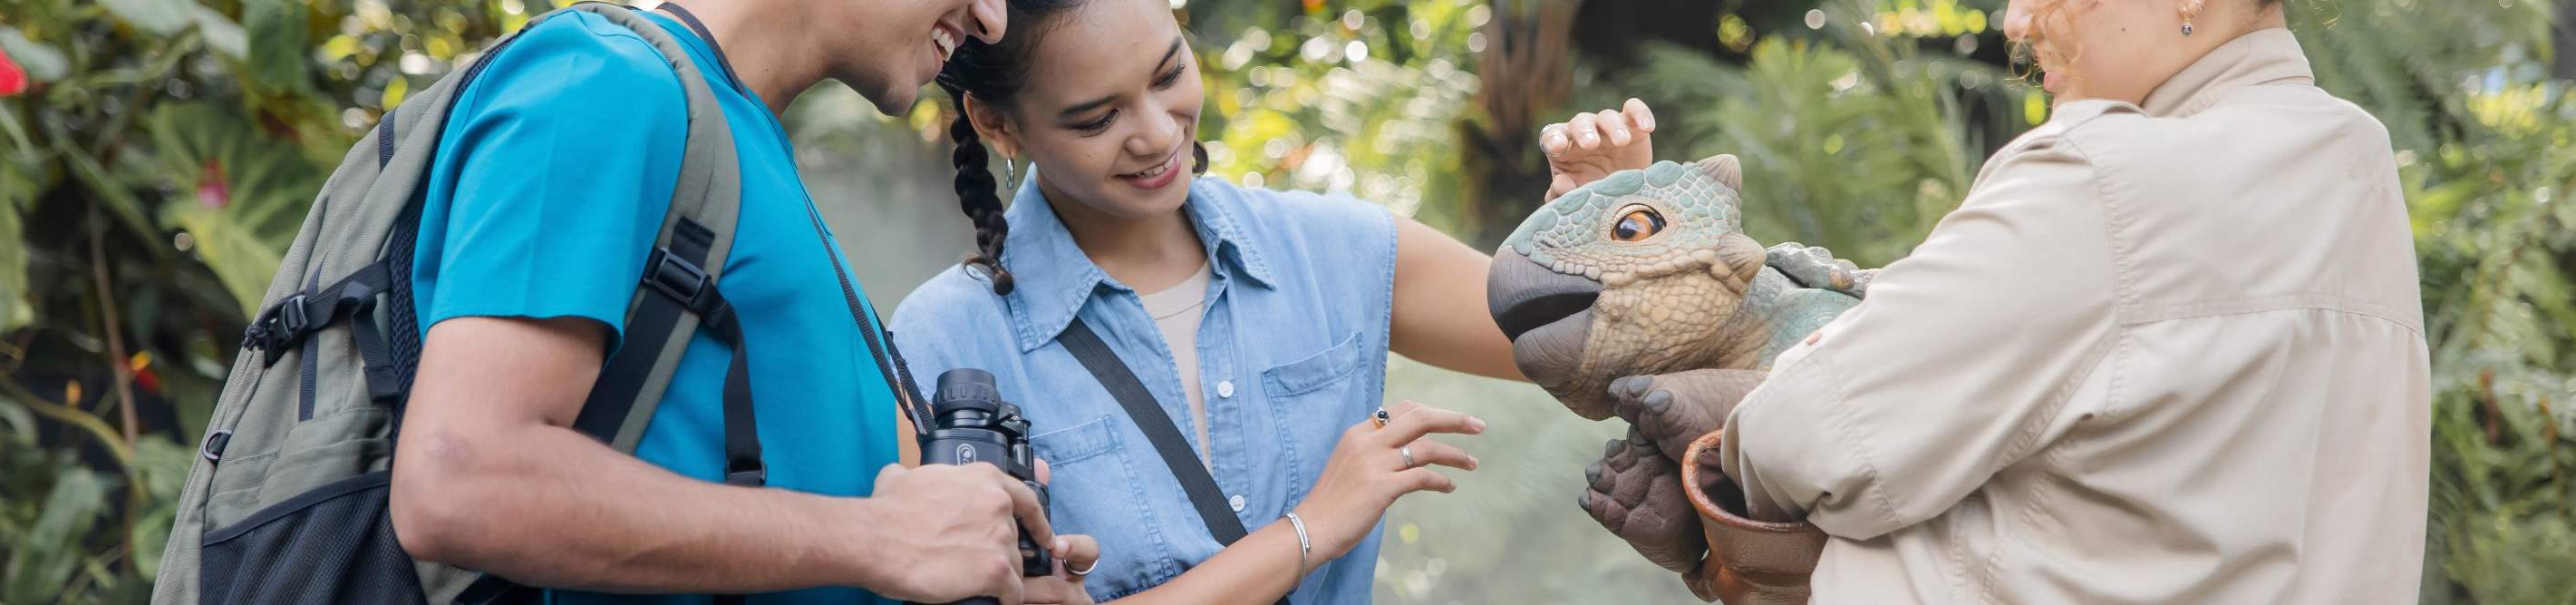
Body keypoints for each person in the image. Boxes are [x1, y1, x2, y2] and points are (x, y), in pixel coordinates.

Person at [1605, 0, 2431, 602]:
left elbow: (1809, 435)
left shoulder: (2107, 176)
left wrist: (1735, 433)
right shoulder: (2351, 166)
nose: (2014, 19)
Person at [886, 0, 1671, 601]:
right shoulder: (944, 339)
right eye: (1098, 117)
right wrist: (1309, 528)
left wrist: (1619, 214)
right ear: (996, 124)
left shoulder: (1334, 250)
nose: (1159, 135)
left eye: (1168, 75)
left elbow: (1605, 350)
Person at [382, 1, 1106, 603]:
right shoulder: (607, 81)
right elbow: (462, 479)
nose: (992, 20)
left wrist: (977, 561)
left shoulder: (743, 147)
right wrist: (880, 537)